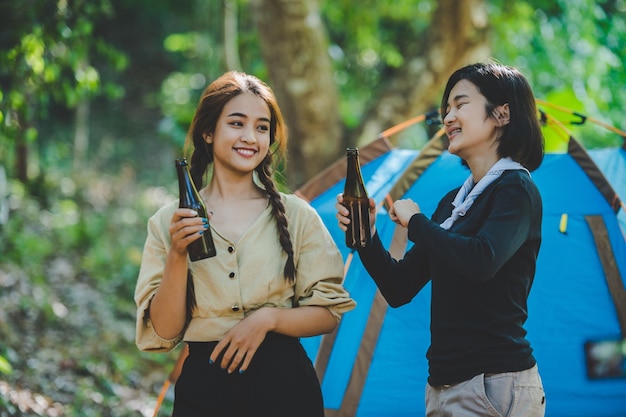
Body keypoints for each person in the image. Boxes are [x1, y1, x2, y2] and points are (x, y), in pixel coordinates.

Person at [135, 70, 356, 417]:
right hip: (204, 394)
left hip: (285, 391)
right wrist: (178, 254)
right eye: (236, 123)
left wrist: (267, 319)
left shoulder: (298, 215)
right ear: (208, 132)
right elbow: (163, 333)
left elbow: (328, 313)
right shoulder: (168, 222)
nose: (250, 137)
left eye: (262, 127)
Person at [336, 62, 546, 416]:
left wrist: (416, 222)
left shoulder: (516, 189)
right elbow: (399, 287)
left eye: (460, 105)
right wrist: (366, 236)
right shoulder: (455, 201)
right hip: (442, 388)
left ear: (501, 113)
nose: (448, 117)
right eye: (446, 110)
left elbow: (482, 260)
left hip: (494, 383)